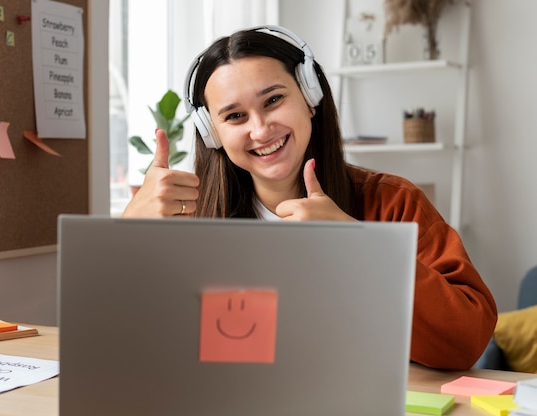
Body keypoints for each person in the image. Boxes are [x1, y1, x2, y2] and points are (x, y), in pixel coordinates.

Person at [122, 25, 497, 370]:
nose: (260, 129)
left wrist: (359, 243)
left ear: (310, 97)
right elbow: (130, 343)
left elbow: (466, 342)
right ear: (212, 133)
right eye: (235, 116)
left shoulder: (392, 201)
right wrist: (127, 236)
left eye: (273, 100)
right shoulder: (192, 219)